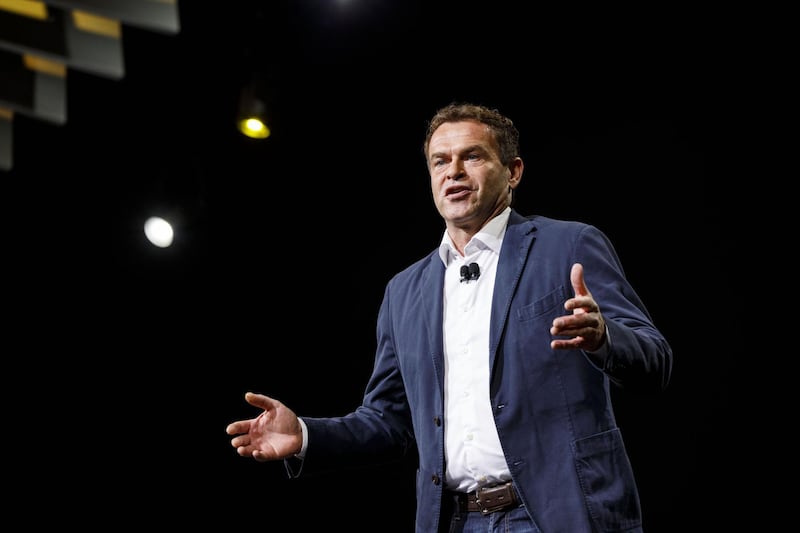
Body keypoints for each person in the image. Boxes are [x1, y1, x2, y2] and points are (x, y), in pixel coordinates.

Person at [226, 102, 673, 532]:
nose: (453, 171)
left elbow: (655, 359)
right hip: (456, 520)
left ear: (513, 171)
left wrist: (603, 338)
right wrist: (305, 435)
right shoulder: (404, 291)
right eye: (440, 161)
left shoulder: (568, 246)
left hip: (563, 514)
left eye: (472, 156)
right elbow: (388, 420)